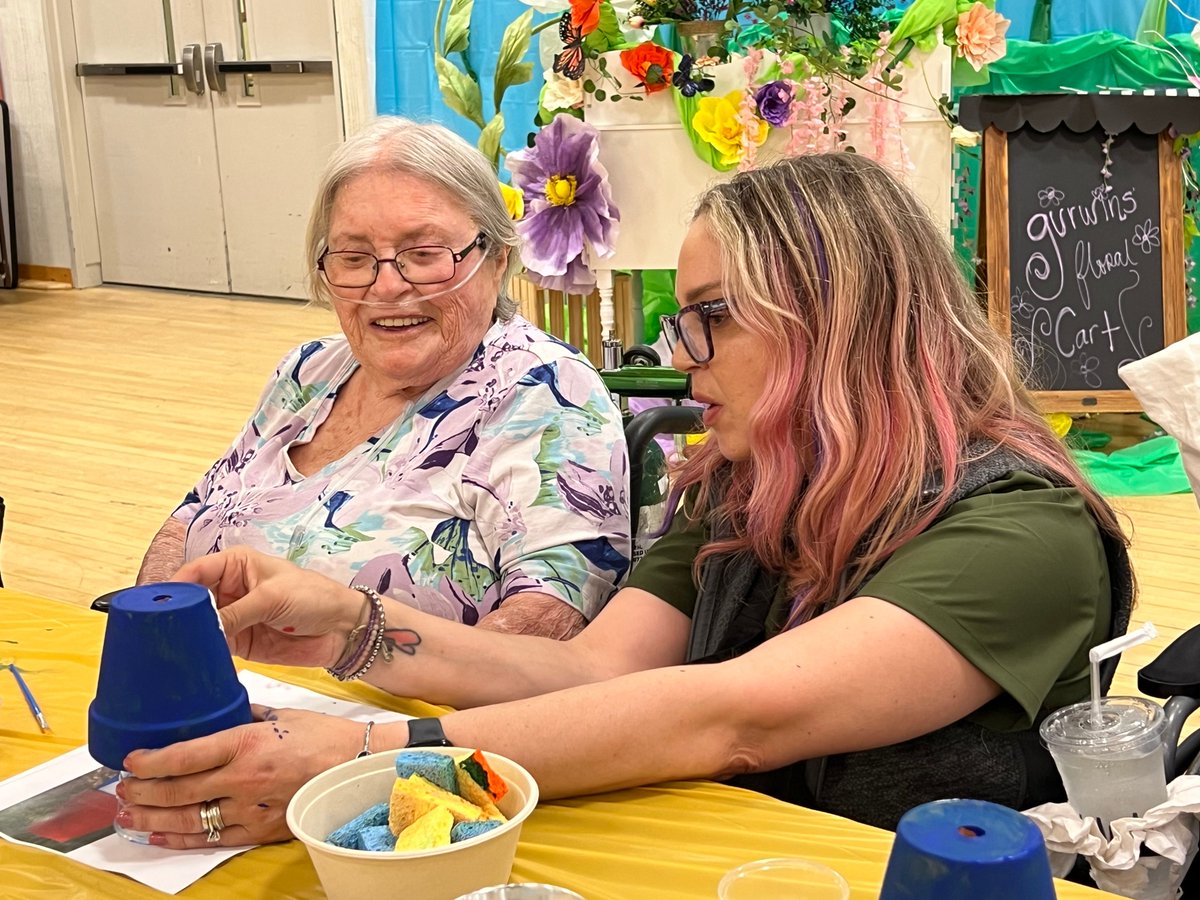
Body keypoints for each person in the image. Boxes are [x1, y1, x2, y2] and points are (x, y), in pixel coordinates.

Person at [116, 152, 1132, 849]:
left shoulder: (1023, 530)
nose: (680, 362)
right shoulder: (754, 473)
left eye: (710, 321)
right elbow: (591, 672)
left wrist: (364, 757)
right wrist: (356, 628)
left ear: (838, 320)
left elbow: (733, 718)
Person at [135, 118, 631, 636]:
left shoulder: (547, 391)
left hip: (394, 712)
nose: (388, 286)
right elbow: (187, 521)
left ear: (495, 258)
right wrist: (153, 633)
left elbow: (548, 624)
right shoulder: (308, 371)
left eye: (424, 255)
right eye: (354, 258)